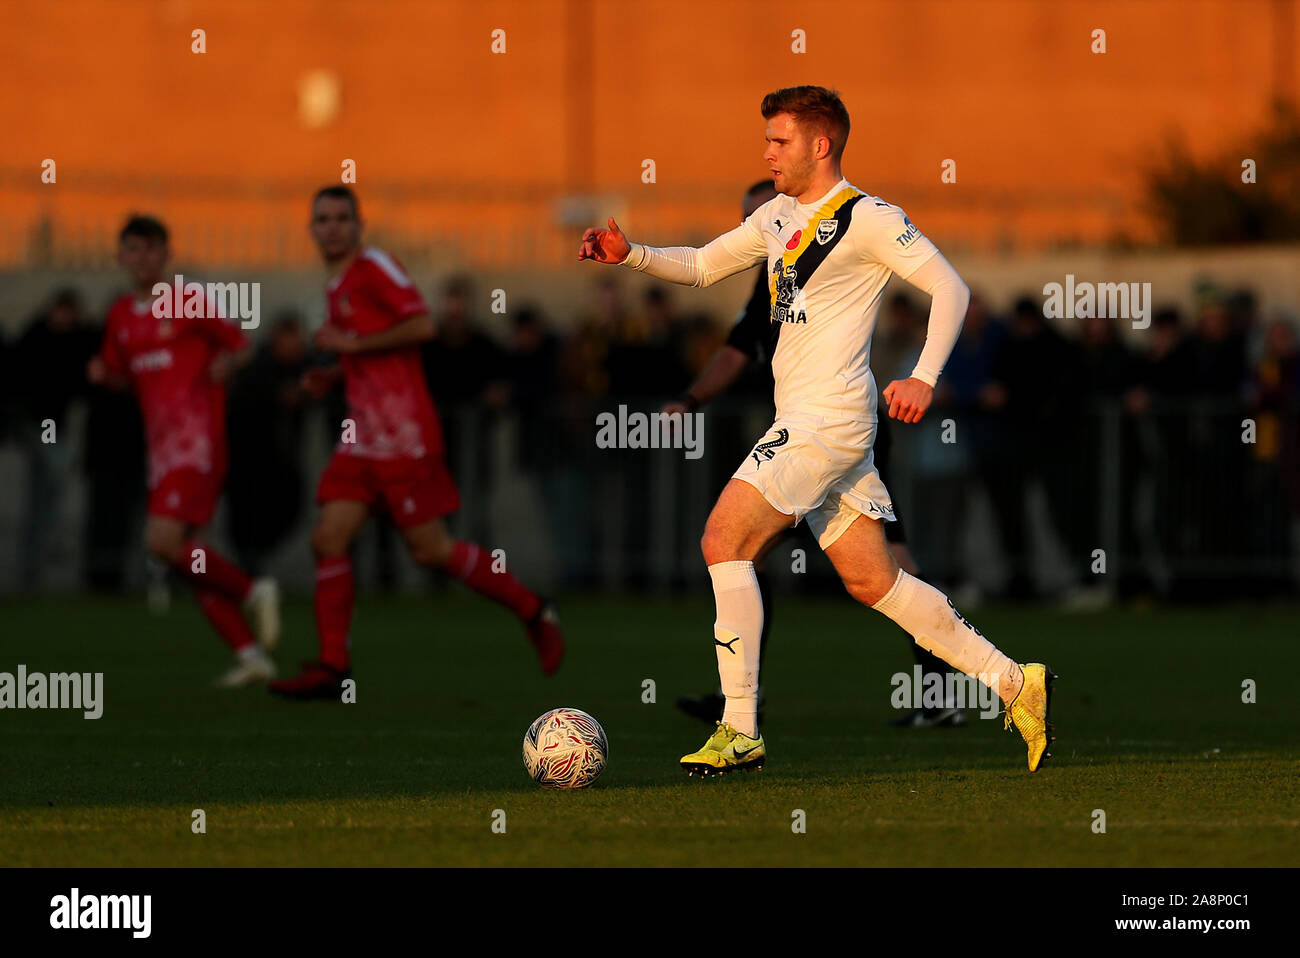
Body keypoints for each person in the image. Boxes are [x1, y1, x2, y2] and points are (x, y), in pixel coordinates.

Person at [579, 86, 1053, 774]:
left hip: (826, 421)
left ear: (820, 144)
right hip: (813, 422)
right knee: (875, 583)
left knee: (722, 538)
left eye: (779, 141)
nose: (767, 152)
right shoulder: (775, 216)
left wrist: (923, 374)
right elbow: (704, 266)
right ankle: (1014, 680)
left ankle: (739, 729)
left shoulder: (869, 217)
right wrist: (632, 255)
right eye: (767, 140)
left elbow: (951, 288)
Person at [669, 180, 963, 729]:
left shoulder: (846, 237)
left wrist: (923, 377)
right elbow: (730, 336)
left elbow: (949, 285)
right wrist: (690, 398)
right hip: (803, 435)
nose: (762, 228)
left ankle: (940, 692)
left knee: (874, 564)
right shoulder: (769, 285)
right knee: (759, 557)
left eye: (762, 215)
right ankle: (741, 701)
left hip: (834, 434)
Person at [270, 187, 563, 699]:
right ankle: (333, 667)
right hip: (362, 438)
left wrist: (352, 345)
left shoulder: (375, 266)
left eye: (342, 218)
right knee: (328, 539)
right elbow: (366, 355)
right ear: (312, 229)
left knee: (431, 550)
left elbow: (421, 324)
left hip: (403, 436)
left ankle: (531, 608)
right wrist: (335, 375)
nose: (332, 227)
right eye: (323, 219)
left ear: (359, 226)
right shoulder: (336, 285)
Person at [86, 215, 280, 686]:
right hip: (162, 453)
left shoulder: (189, 299)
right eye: (134, 249)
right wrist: (102, 376)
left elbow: (242, 345)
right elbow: (123, 375)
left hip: (197, 447)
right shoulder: (121, 317)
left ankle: (255, 590)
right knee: (191, 557)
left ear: (166, 254)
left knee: (161, 542)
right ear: (121, 257)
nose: (143, 258)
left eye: (152, 249)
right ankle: (251, 655)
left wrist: (227, 365)